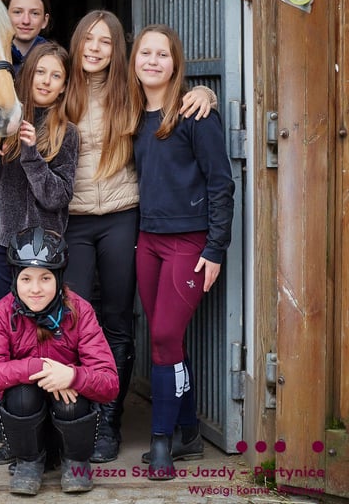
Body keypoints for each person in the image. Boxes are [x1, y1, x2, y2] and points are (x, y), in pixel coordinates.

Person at [62, 10, 217, 463]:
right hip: (78, 219)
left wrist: (202, 92)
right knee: (79, 319)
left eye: (105, 42)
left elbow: (171, 103)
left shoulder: (127, 95)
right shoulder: (59, 89)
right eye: (87, 39)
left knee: (129, 323)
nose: (94, 48)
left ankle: (120, 427)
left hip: (125, 216)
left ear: (118, 53)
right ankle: (81, 420)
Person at [127, 24, 234, 480]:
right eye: (145, 53)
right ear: (133, 61)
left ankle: (161, 443)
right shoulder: (131, 114)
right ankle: (188, 430)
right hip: (147, 240)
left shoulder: (195, 113)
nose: (152, 60)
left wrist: (215, 247)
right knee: (164, 337)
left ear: (176, 63)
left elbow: (221, 183)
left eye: (162, 54)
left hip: (188, 244)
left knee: (165, 338)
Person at [0, 41, 80, 465]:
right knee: (6, 334)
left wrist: (32, 154)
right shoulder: (1, 120)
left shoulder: (66, 132)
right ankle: (8, 434)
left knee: (48, 333)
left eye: (56, 76)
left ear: (65, 85)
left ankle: (51, 430)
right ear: (26, 75)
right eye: (40, 73)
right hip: (2, 241)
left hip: (46, 252)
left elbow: (57, 197)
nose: (47, 82)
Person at [0, 226, 118, 495]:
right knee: (20, 394)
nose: (36, 289)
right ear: (15, 279)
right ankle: (28, 462)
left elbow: (109, 382)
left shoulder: (80, 311)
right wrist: (41, 367)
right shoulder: (2, 312)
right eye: (26, 279)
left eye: (45, 278)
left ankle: (76, 463)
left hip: (70, 425)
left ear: (59, 278)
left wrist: (73, 376)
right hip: (26, 428)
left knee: (72, 398)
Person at [4, 0, 52, 74]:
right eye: (17, 12)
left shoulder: (55, 59)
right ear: (5, 16)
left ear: (45, 21)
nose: (26, 21)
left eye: (34, 13)